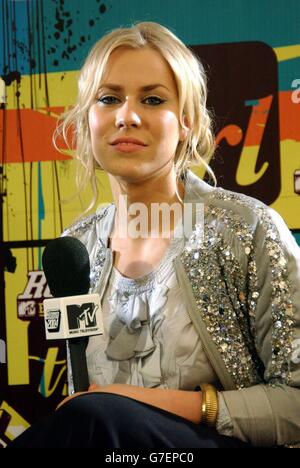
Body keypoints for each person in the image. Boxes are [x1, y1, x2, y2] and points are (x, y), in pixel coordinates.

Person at [8, 21, 300, 449]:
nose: (127, 115)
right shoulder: (76, 247)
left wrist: (128, 402)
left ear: (186, 122)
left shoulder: (247, 228)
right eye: (109, 99)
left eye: (152, 99)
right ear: (87, 120)